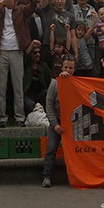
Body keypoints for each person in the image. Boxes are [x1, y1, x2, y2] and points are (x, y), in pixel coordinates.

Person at [0, 0, 37, 127]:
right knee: (1, 87)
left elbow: (32, 8)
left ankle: (19, 118)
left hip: (16, 51)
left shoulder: (20, 10)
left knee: (18, 86)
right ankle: (2, 118)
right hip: (0, 51)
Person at [41, 55, 75, 188]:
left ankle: (74, 175)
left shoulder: (77, 83)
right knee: (51, 148)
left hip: (72, 122)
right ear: (61, 68)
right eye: (66, 67)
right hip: (57, 121)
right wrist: (55, 125)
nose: (68, 70)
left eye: (71, 68)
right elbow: (48, 106)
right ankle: (46, 176)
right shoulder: (54, 84)